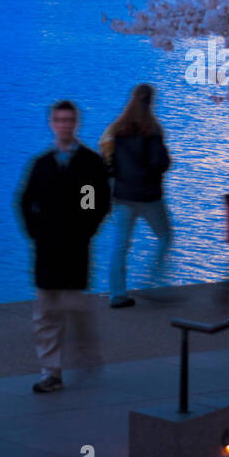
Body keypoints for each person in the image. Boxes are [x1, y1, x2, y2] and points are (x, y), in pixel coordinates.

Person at [17, 100, 111, 393]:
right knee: (46, 311)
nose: (64, 125)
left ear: (76, 123)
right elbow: (25, 201)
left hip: (74, 246)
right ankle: (52, 371)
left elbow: (96, 203)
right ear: (52, 124)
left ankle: (83, 351)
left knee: (72, 303)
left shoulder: (89, 163)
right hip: (46, 247)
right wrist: (36, 232)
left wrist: (85, 231)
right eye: (59, 120)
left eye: (69, 120)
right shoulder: (42, 164)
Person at [100, 83, 172, 308]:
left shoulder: (117, 130)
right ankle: (151, 279)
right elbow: (159, 163)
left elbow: (107, 163)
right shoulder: (153, 130)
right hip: (149, 196)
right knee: (164, 235)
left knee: (120, 244)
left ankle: (117, 294)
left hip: (123, 195)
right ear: (151, 102)